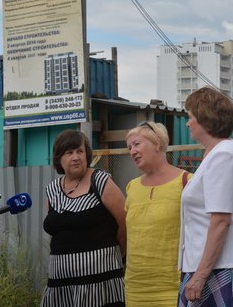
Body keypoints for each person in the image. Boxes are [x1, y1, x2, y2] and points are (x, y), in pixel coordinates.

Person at [178, 87, 233, 306]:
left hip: (221, 268)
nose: (188, 123)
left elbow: (220, 220)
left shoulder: (223, 155)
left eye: (191, 117)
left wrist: (200, 276)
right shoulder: (217, 153)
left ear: (205, 119)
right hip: (214, 265)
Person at [41, 129, 127, 307]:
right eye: (69, 152)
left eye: (80, 151)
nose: (76, 157)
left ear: (87, 154)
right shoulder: (53, 190)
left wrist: (117, 254)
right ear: (59, 159)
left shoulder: (101, 181)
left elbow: (125, 223)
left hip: (99, 283)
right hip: (61, 284)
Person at [124, 121, 191, 307]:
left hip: (175, 288)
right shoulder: (132, 187)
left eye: (137, 144)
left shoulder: (187, 182)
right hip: (135, 288)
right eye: (129, 147)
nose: (132, 151)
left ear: (158, 143)